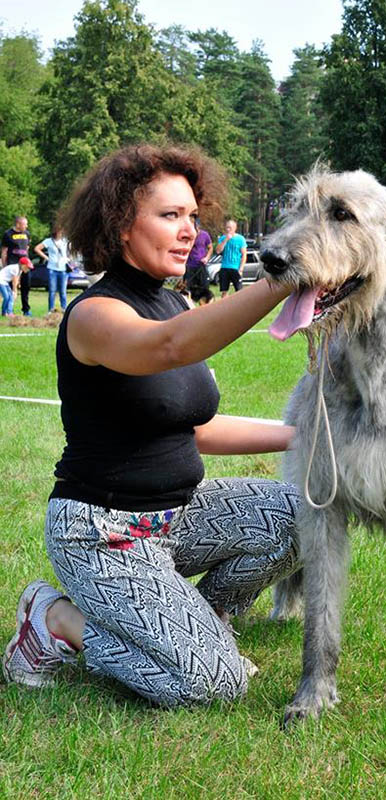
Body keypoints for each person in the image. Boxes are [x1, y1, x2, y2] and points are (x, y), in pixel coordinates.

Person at [2, 144, 301, 708]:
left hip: (177, 518)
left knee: (300, 514)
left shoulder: (174, 304)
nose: (190, 231)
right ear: (120, 226)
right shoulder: (95, 315)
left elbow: (198, 429)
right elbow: (168, 348)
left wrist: (302, 434)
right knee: (213, 685)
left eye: (192, 215)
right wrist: (285, 278)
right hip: (102, 535)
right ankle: (57, 618)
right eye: (170, 216)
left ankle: (201, 627)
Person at [34, 226, 71, 312]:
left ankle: (64, 309)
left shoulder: (65, 241)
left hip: (63, 269)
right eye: (60, 232)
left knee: (63, 291)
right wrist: (46, 258)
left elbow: (70, 250)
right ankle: (51, 310)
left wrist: (68, 258)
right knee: (52, 291)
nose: (61, 233)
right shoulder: (48, 241)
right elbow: (37, 248)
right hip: (52, 268)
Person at [1, 215, 32, 316]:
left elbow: (27, 248)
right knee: (12, 290)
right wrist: (5, 265)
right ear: (18, 224)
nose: (26, 226)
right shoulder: (8, 234)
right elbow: (4, 251)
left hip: (25, 265)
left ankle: (26, 309)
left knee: (25, 287)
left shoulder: (27, 233)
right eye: (25, 224)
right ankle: (9, 310)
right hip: (13, 265)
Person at [184, 220, 213, 304]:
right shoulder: (188, 235)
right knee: (188, 289)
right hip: (190, 265)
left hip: (201, 265)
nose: (195, 229)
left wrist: (207, 258)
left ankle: (205, 308)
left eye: (196, 227)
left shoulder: (205, 235)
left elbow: (210, 247)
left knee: (204, 288)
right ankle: (189, 307)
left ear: (199, 227)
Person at [216, 219, 246, 298]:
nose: (228, 229)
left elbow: (244, 255)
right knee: (224, 291)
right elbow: (218, 251)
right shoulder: (222, 238)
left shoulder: (240, 239)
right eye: (227, 227)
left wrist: (241, 269)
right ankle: (224, 307)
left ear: (235, 228)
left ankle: (239, 306)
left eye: (230, 228)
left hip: (236, 268)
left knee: (239, 290)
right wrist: (225, 240)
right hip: (225, 267)